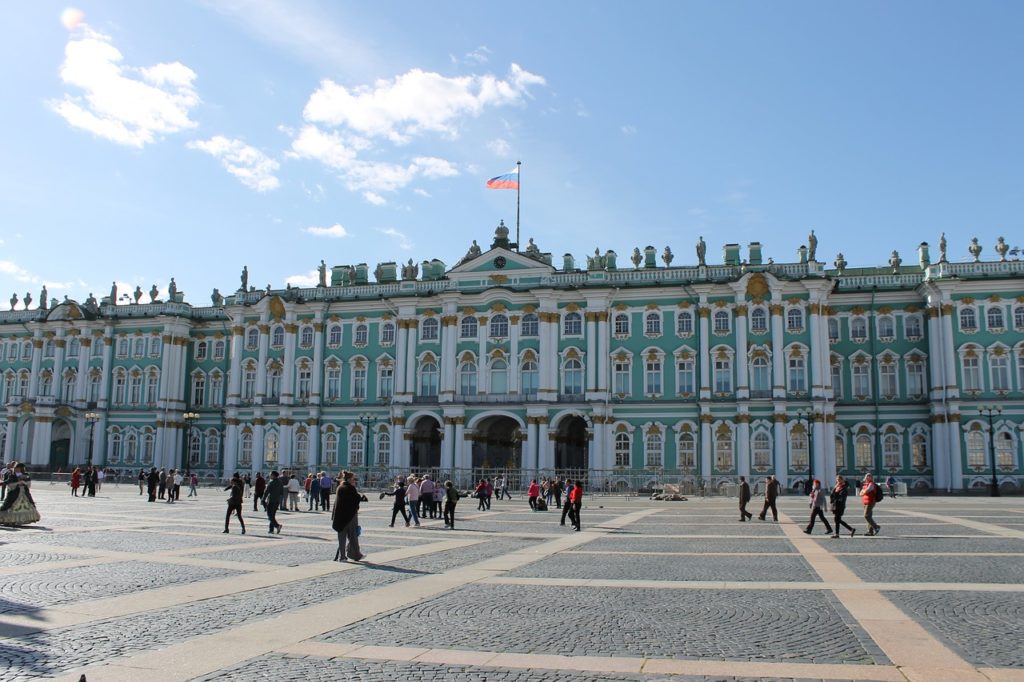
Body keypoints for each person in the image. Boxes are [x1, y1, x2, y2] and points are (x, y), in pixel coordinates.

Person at [332, 470, 367, 562]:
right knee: (353, 537)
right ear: (349, 480)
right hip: (350, 517)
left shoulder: (339, 487)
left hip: (340, 517)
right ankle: (357, 555)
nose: (355, 481)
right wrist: (360, 497)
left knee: (341, 538)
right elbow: (355, 500)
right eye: (353, 479)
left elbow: (337, 503)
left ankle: (342, 557)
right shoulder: (350, 488)